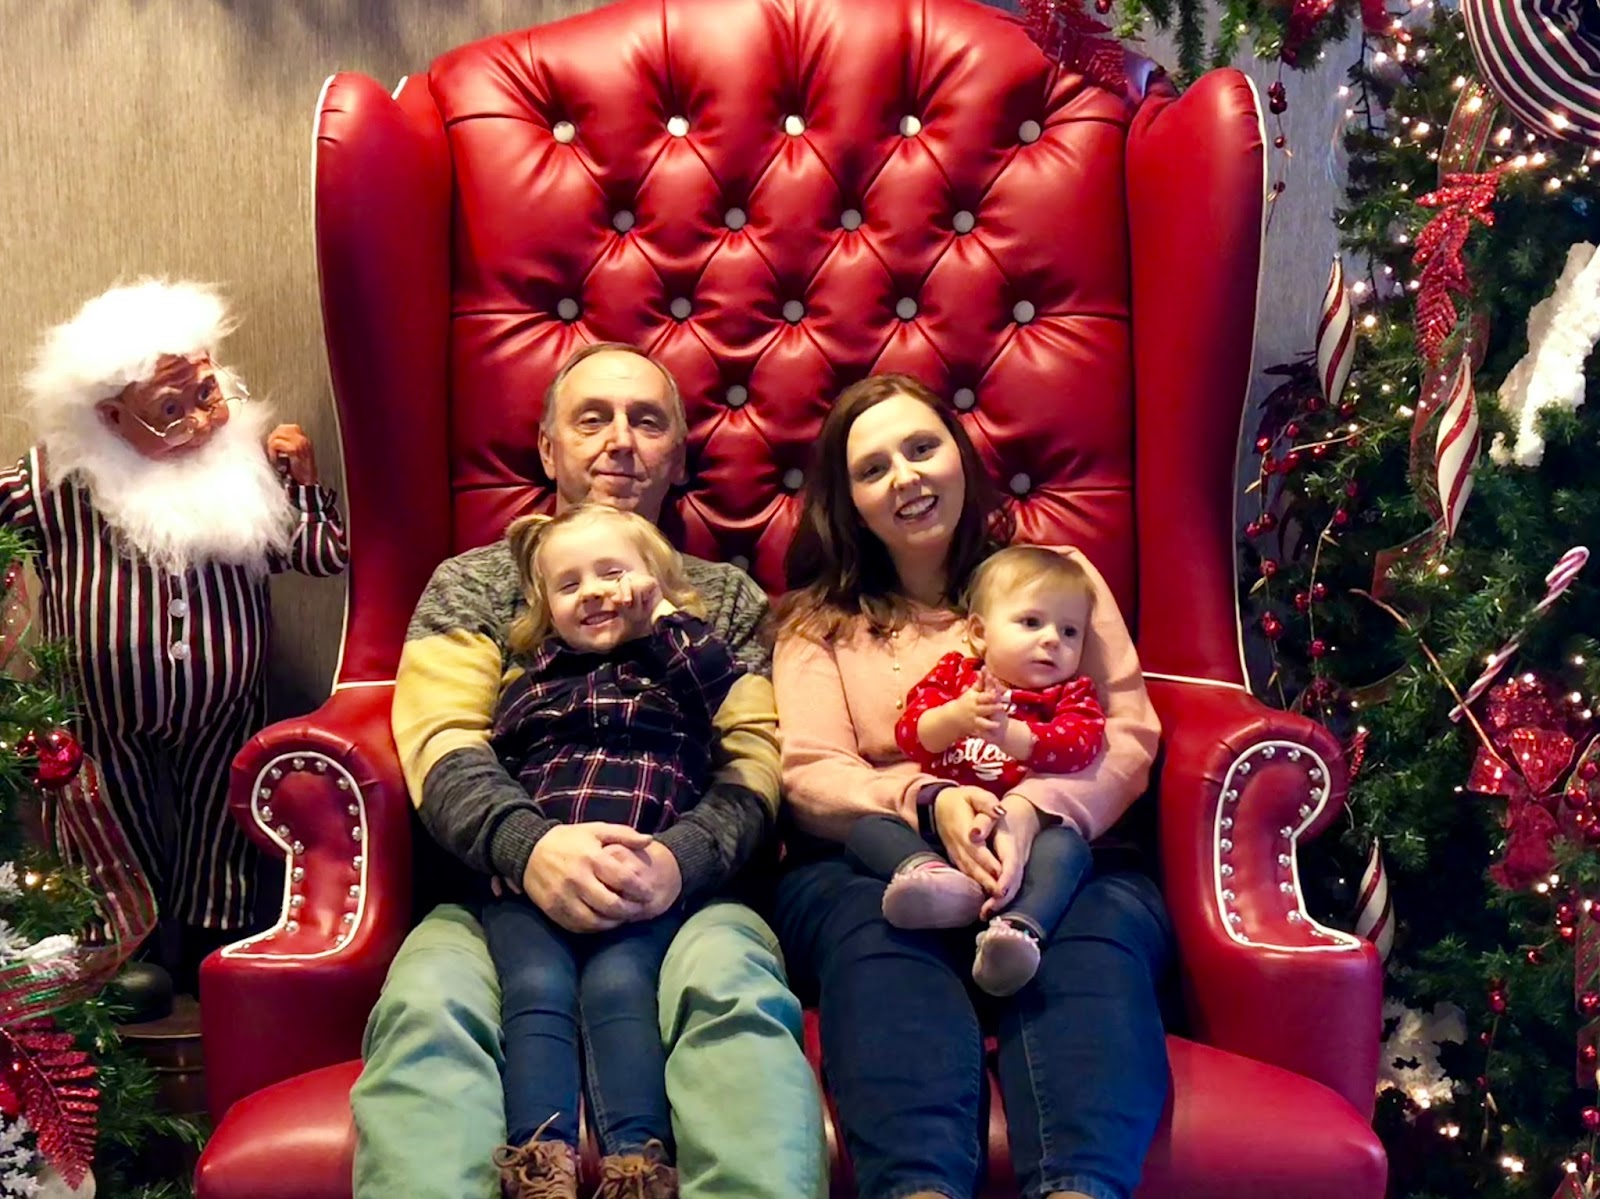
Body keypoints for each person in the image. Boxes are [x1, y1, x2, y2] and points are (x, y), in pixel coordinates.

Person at [353, 343, 826, 1199]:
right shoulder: (474, 583)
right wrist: (531, 848)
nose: (620, 440)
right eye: (592, 418)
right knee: (427, 1010)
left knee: (734, 998)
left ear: (677, 458)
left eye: (647, 421)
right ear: (548, 449)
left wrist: (677, 860)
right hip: (493, 894)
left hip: (690, 896)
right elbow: (443, 741)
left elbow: (755, 760)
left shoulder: (723, 599)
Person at [772, 373, 1171, 1199]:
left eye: (922, 448)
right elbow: (810, 771)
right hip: (873, 861)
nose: (906, 477)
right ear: (849, 503)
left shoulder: (1057, 577)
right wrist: (929, 800)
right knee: (881, 933)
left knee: (1092, 932)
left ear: (959, 455)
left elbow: (1128, 734)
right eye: (873, 468)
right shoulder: (817, 622)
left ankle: (1079, 1186)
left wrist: (1032, 810)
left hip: (1063, 845)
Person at [1, 279, 347, 987]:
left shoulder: (245, 462)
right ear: (110, 416)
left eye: (207, 392)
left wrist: (306, 485)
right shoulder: (56, 479)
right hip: (99, 714)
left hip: (227, 708)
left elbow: (322, 555)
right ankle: (121, 953)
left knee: (223, 822)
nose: (199, 418)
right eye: (169, 408)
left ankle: (212, 951)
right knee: (109, 823)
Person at [484, 504, 749, 1199]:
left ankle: (636, 1161)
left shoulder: (678, 673)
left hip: (642, 876)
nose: (593, 593)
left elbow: (722, 677)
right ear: (546, 609)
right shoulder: (536, 681)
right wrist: (505, 856)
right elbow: (497, 768)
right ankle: (541, 1161)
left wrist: (660, 615)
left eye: (613, 573)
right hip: (539, 883)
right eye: (569, 585)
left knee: (620, 987)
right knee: (535, 988)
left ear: (656, 582)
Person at [846, 545, 1107, 997]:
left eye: (1070, 631)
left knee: (1069, 849)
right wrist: (956, 717)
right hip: (943, 826)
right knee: (868, 828)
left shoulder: (1070, 694)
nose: (1052, 640)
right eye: (1032, 623)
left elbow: (1080, 746)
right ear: (980, 633)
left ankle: (1016, 932)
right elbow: (911, 733)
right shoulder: (954, 677)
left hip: (1021, 840)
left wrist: (1014, 736)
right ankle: (935, 882)